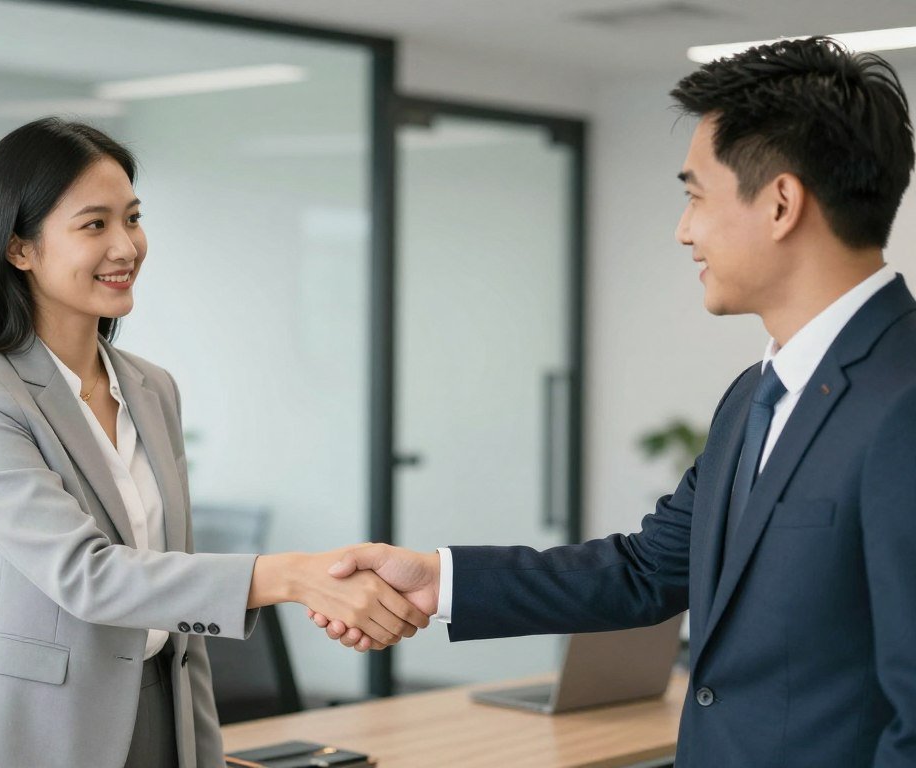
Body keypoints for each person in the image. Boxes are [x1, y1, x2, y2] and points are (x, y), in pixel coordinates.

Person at [310, 37, 916, 767]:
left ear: (781, 203)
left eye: (695, 195)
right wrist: (439, 580)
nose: (683, 230)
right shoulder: (755, 394)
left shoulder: (903, 401)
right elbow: (647, 570)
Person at [0, 117, 427, 768]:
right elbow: (86, 575)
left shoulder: (152, 388)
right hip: (31, 735)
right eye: (94, 225)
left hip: (159, 712)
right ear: (19, 248)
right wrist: (293, 576)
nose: (125, 246)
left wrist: (201, 750)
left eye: (132, 218)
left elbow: (173, 597)